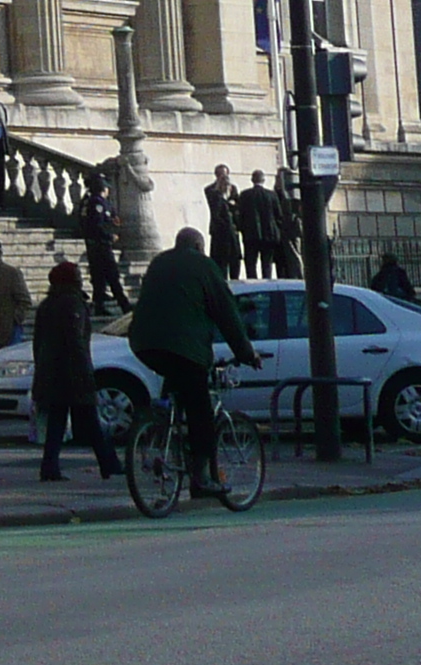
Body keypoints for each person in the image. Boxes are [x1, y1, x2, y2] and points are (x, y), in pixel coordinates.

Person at [128, 227, 262, 497]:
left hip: (143, 342)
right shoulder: (204, 265)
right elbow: (226, 314)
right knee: (200, 409)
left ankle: (161, 424)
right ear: (200, 247)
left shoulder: (159, 262)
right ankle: (200, 478)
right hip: (185, 347)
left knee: (175, 378)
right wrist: (247, 353)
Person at [31, 260, 118, 482]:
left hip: (52, 372)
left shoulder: (47, 305)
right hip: (72, 373)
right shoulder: (73, 304)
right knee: (92, 421)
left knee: (57, 423)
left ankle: (50, 466)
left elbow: (37, 342)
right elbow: (76, 342)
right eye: (78, 275)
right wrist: (85, 374)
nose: (82, 278)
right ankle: (108, 464)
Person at [79, 176, 130, 314]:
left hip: (95, 245)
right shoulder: (97, 203)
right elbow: (97, 225)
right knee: (112, 275)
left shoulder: (90, 201)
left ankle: (100, 305)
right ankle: (123, 304)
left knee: (99, 277)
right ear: (103, 189)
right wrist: (109, 236)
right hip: (100, 244)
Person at [235, 171, 283, 281]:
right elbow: (278, 215)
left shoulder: (245, 195)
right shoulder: (271, 195)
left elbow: (240, 215)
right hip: (269, 235)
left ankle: (253, 285)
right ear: (263, 180)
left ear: (252, 180)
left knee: (251, 263)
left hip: (250, 235)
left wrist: (242, 229)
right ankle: (267, 284)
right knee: (267, 264)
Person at [204, 164, 244, 279]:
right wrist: (225, 200)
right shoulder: (211, 191)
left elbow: (237, 207)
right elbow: (215, 210)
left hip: (232, 230)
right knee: (220, 261)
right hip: (219, 230)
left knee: (234, 260)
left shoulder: (233, 189)